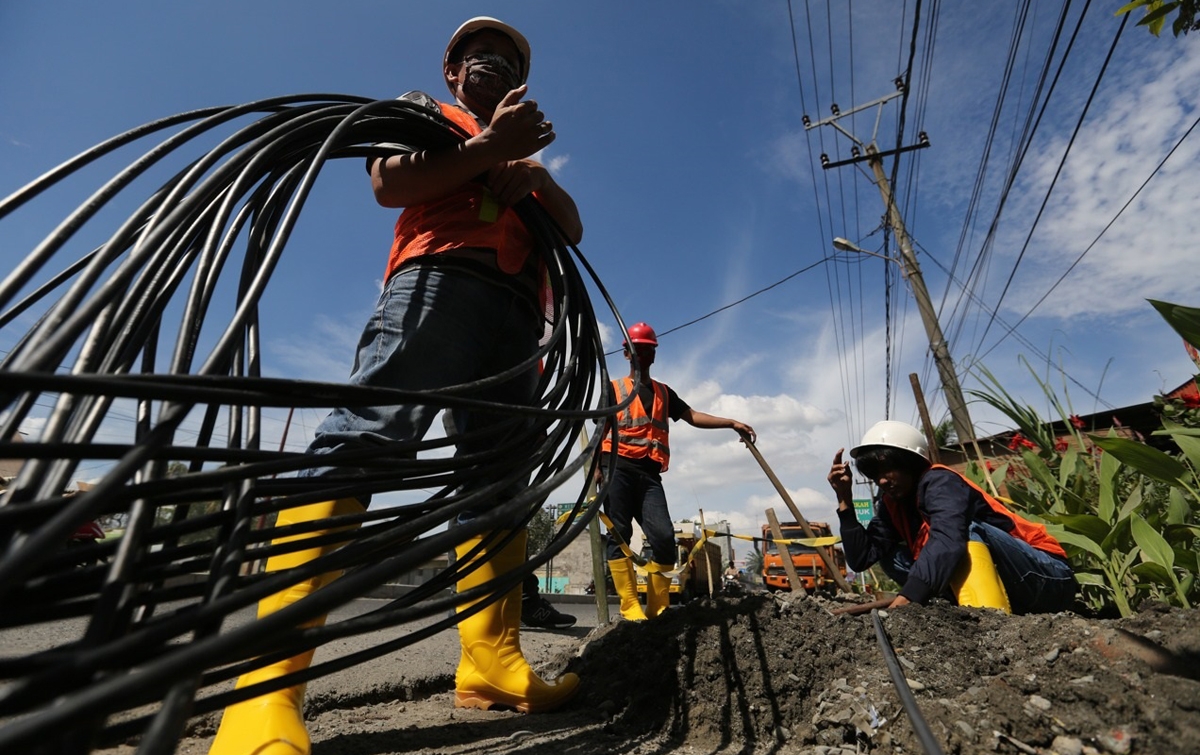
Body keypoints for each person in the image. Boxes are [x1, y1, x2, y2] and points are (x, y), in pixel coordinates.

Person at [209, 16, 582, 755]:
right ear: (452, 71)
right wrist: (485, 150)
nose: (493, 62)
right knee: (366, 438)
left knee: (500, 484)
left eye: (508, 59)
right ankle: (265, 696)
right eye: (479, 54)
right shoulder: (420, 110)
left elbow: (569, 230)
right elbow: (389, 182)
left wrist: (533, 174)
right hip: (436, 285)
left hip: (516, 318)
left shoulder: (528, 162)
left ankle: (491, 661)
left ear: (522, 81)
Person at [827, 420, 1077, 615]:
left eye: (888, 469)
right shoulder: (892, 503)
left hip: (1048, 577)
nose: (882, 480)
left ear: (911, 462)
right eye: (874, 473)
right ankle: (960, 605)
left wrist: (909, 596)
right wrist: (844, 500)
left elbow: (948, 538)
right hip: (1012, 586)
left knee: (964, 531)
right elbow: (861, 559)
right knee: (890, 556)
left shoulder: (940, 481)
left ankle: (989, 619)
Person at [598, 322, 756, 621]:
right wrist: (596, 468)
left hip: (648, 474)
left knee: (663, 538)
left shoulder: (664, 393)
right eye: (637, 349)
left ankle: (657, 609)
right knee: (619, 534)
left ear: (654, 354)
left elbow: (693, 416)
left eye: (647, 349)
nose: (643, 354)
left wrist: (731, 422)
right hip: (616, 467)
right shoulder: (614, 389)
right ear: (626, 353)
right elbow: (598, 429)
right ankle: (630, 606)